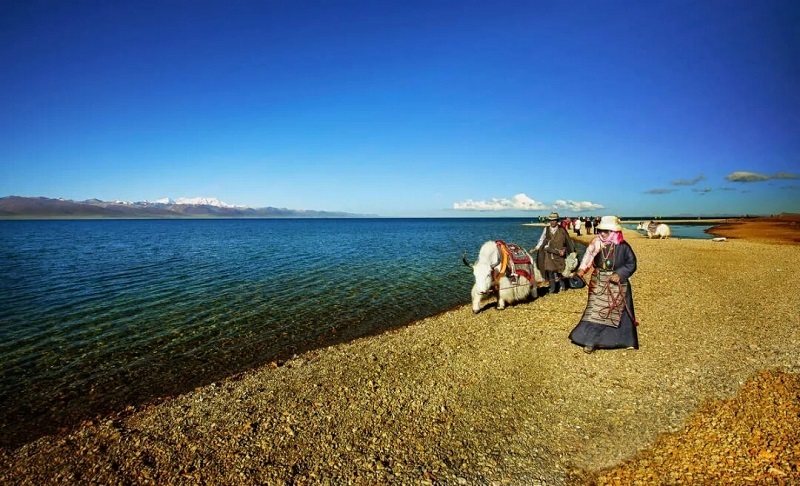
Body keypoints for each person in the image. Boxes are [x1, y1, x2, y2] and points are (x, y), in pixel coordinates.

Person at [569, 215, 639, 353]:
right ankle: (590, 340)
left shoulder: (623, 246)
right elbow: (588, 257)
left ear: (613, 232)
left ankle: (622, 340)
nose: (601, 233)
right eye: (600, 230)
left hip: (617, 284)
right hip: (599, 281)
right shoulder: (595, 242)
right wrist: (582, 270)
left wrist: (619, 274)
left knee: (618, 312)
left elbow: (631, 264)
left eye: (605, 231)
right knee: (594, 311)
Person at [532, 212, 576, 294]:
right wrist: (537, 247)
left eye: (554, 220)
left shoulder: (562, 230)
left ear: (557, 220)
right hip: (549, 254)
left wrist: (572, 252)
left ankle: (562, 286)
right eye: (551, 220)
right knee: (550, 270)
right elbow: (542, 239)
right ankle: (552, 289)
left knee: (560, 271)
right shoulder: (546, 229)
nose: (552, 222)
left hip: (560, 254)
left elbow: (568, 241)